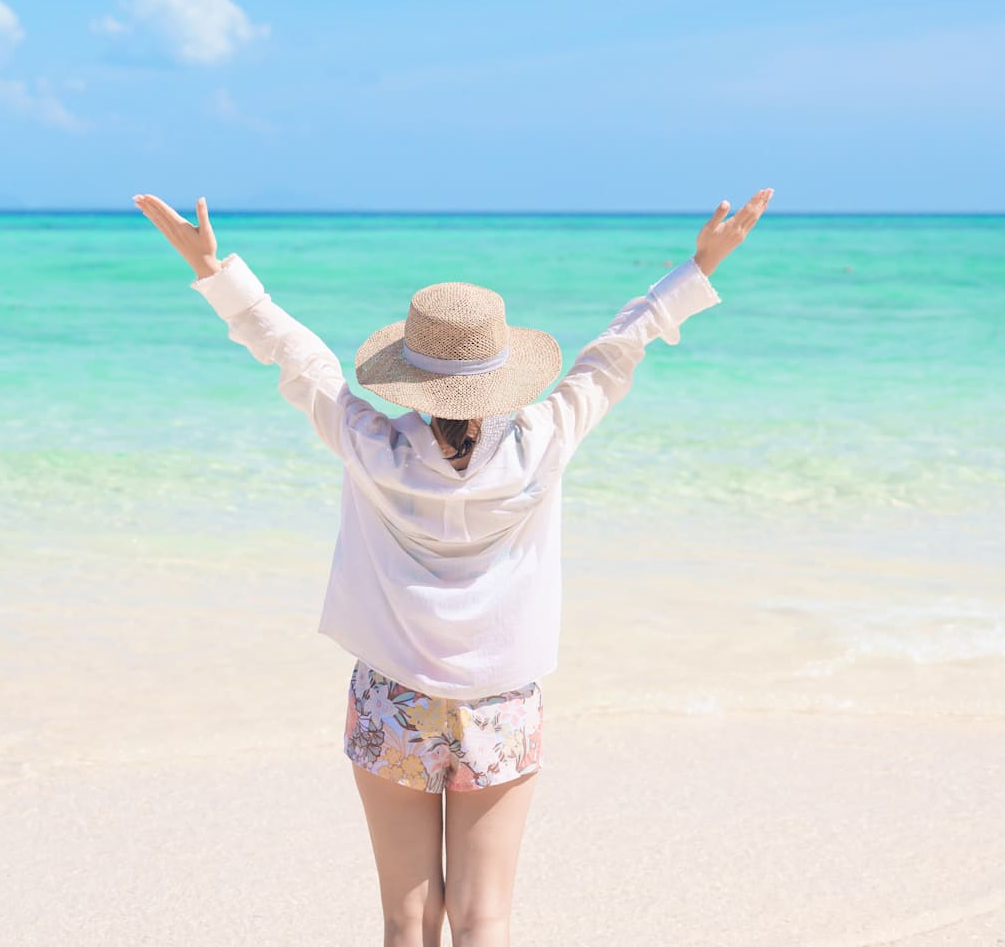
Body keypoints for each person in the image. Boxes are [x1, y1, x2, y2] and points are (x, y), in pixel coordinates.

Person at [133, 189, 774, 947]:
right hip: (501, 704)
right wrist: (697, 267)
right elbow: (614, 353)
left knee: (408, 920)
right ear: (504, 373)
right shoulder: (545, 438)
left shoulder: (371, 445)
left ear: (409, 378)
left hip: (390, 698)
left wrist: (214, 268)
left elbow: (297, 355)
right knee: (485, 920)